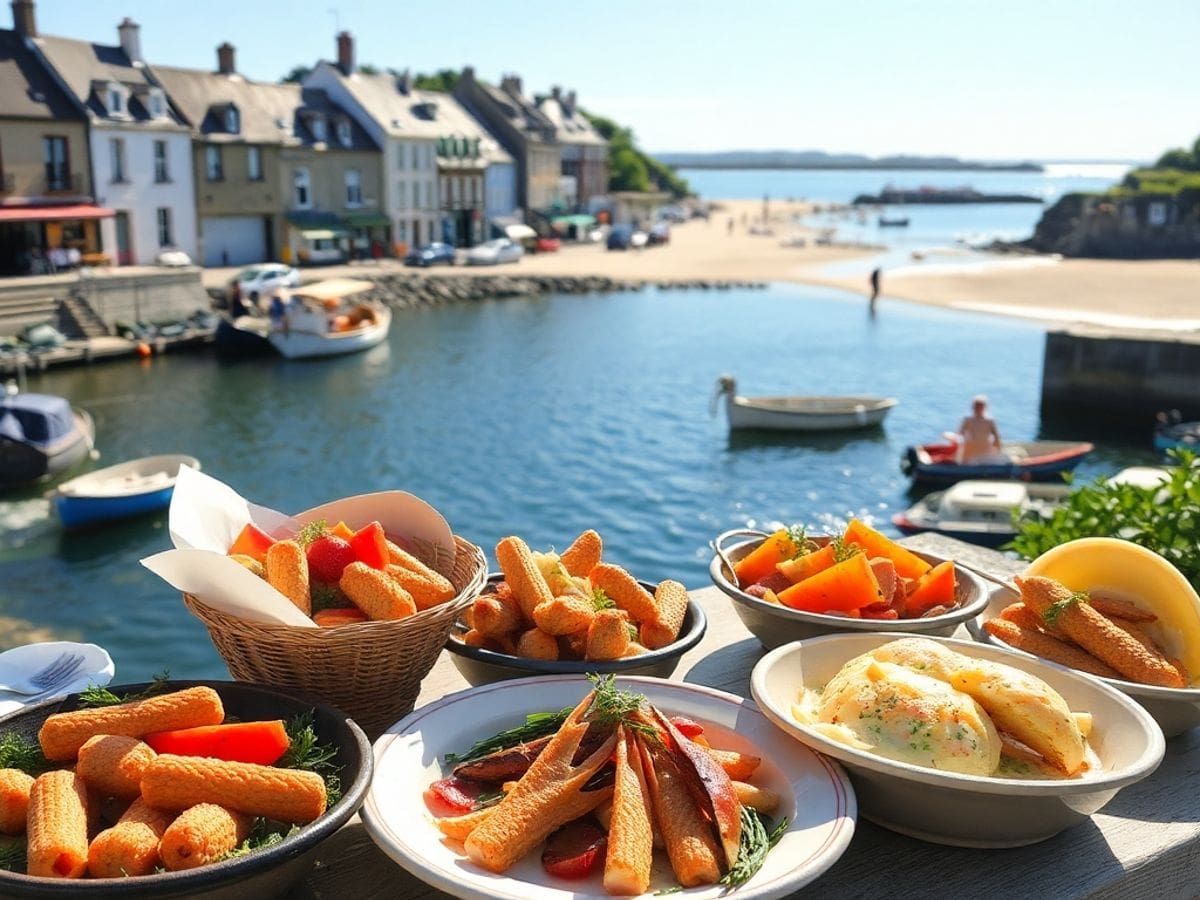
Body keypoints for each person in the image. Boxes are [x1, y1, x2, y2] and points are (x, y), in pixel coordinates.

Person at [957, 395, 1004, 464]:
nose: (978, 408)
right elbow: (997, 439)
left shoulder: (989, 421)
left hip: (977, 451)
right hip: (976, 451)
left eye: (979, 406)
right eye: (977, 406)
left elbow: (959, 435)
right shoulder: (968, 420)